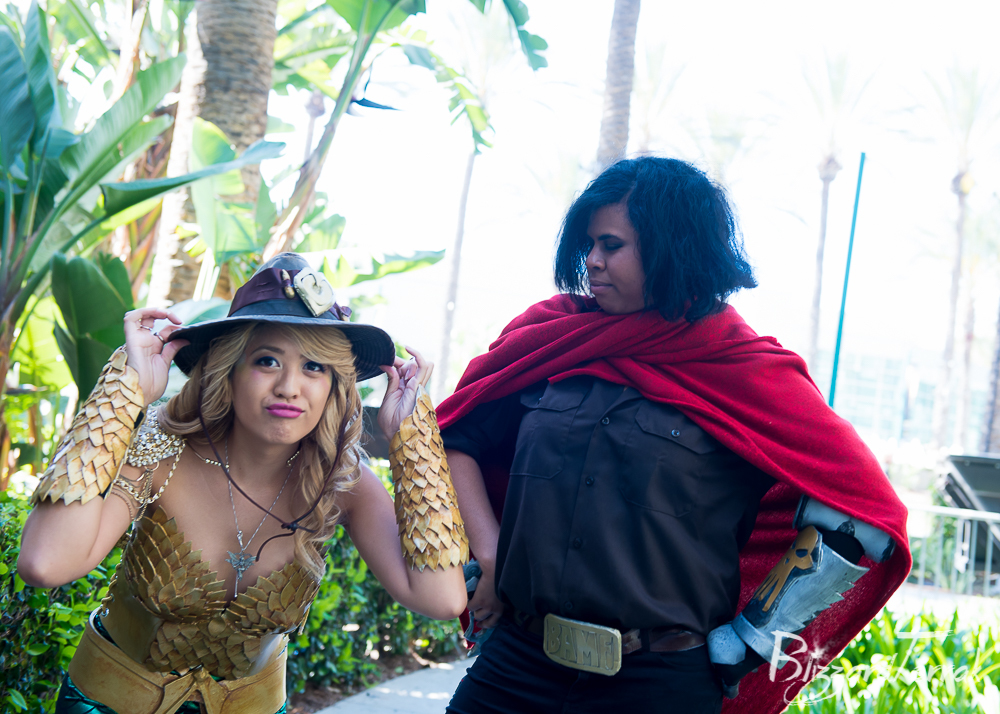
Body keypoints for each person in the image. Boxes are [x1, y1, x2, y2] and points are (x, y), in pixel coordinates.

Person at [436, 157, 910, 714]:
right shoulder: (551, 336)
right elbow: (457, 436)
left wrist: (751, 641)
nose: (592, 260)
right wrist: (492, 555)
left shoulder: (745, 369)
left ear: (670, 248)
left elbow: (859, 511)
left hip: (658, 686)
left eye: (611, 245)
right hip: (516, 664)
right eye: (589, 244)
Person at [18, 252, 469, 714]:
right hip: (109, 700)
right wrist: (124, 390)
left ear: (335, 384)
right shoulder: (163, 450)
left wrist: (412, 435)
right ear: (228, 370)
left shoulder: (340, 480)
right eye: (267, 361)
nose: (290, 387)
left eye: (314, 367)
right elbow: (44, 563)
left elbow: (443, 598)